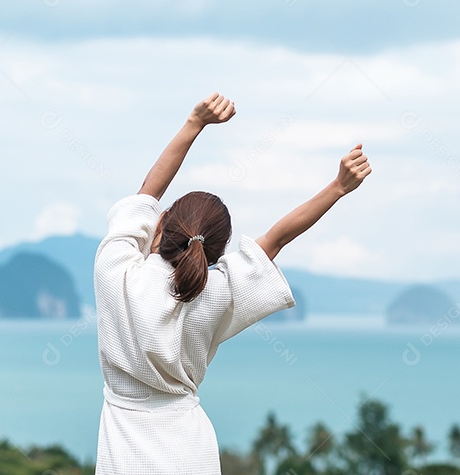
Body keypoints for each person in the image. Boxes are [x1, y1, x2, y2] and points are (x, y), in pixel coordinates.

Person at [93, 92, 372, 474]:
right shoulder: (215, 294)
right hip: (191, 451)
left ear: (161, 223)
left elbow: (147, 193)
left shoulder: (115, 270)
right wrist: (338, 187)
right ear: (217, 254)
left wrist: (195, 123)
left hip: (123, 449)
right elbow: (276, 240)